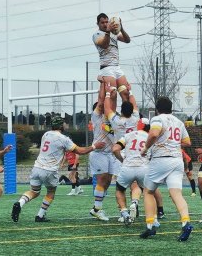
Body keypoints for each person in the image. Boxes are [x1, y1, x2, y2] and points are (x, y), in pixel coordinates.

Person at [11, 116, 105, 223]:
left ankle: (20, 203)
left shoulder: (45, 135)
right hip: (49, 170)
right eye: (64, 124)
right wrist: (94, 146)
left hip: (37, 167)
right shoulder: (63, 138)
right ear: (60, 125)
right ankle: (40, 215)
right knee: (51, 191)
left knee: (34, 191)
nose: (65, 125)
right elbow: (80, 151)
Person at [139, 96, 193, 241]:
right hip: (177, 161)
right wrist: (172, 142)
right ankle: (185, 222)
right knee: (176, 194)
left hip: (160, 160)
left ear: (157, 109)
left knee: (148, 191)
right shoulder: (179, 122)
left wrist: (145, 148)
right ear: (171, 108)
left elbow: (154, 133)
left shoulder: (157, 119)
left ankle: (150, 226)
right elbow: (187, 142)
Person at [112, 118, 152, 225]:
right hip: (143, 168)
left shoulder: (129, 135)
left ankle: (124, 213)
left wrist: (122, 160)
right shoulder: (150, 138)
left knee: (120, 190)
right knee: (147, 193)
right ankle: (152, 219)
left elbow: (115, 149)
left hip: (127, 167)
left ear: (140, 125)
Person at [88, 83, 119, 221]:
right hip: (99, 153)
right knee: (102, 180)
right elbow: (101, 103)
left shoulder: (111, 118)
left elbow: (112, 104)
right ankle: (97, 208)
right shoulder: (96, 117)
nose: (101, 107)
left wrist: (114, 93)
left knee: (107, 181)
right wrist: (103, 87)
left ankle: (96, 208)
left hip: (110, 154)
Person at [92, 13, 131, 112]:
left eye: (106, 22)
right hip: (107, 68)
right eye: (102, 23)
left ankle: (126, 118)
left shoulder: (114, 33)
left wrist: (121, 28)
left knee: (126, 92)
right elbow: (104, 45)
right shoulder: (96, 35)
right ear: (98, 24)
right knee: (112, 94)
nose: (105, 24)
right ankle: (111, 119)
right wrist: (108, 32)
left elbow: (127, 40)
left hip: (117, 68)